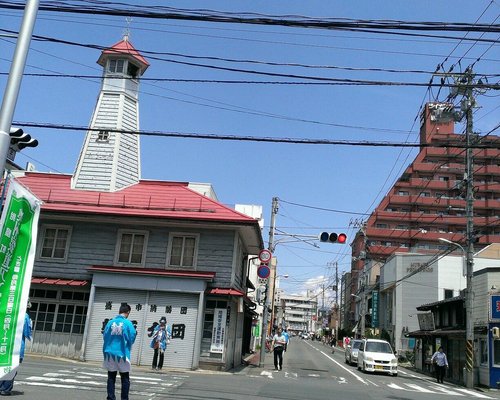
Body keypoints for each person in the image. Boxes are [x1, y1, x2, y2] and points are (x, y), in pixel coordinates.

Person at [102, 303, 136, 400]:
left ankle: (110, 397)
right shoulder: (128, 323)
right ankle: (124, 399)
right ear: (128, 312)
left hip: (109, 353)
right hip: (122, 353)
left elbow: (105, 336)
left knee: (111, 377)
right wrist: (128, 344)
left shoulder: (110, 322)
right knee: (125, 378)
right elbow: (132, 336)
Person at [0, 305, 32, 396]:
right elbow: (27, 333)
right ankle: (5, 389)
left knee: (2, 365)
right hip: (16, 346)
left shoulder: (6, 313)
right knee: (12, 368)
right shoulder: (24, 316)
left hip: (4, 344)